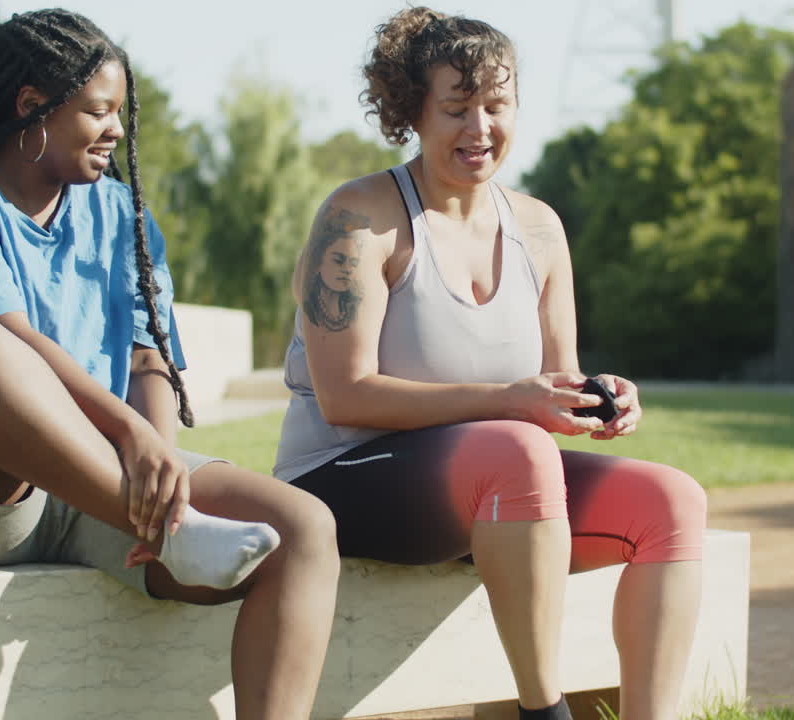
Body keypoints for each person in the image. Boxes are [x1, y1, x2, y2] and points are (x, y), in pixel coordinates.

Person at [0, 10, 338, 718]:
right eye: (98, 111)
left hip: (97, 488)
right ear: (32, 107)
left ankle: (167, 526)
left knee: (304, 530)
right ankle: (175, 535)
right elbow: (11, 343)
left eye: (120, 112)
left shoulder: (124, 215)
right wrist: (135, 449)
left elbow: (150, 361)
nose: (117, 129)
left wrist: (162, 464)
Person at [274, 7, 707, 720]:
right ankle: (542, 710)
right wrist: (512, 401)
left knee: (673, 502)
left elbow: (552, 387)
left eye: (496, 105)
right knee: (515, 450)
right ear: (414, 111)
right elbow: (345, 396)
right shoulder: (359, 218)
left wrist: (598, 398)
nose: (480, 129)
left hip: (496, 481)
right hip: (341, 477)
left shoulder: (538, 226)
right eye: (457, 108)